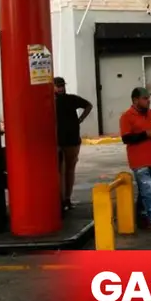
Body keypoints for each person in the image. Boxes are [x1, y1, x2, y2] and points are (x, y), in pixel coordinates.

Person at [119, 87, 151, 232]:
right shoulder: (127, 116)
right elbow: (126, 138)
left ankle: (141, 217)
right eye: (145, 98)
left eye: (148, 98)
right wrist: (146, 134)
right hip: (139, 161)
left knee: (148, 190)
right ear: (135, 100)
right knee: (147, 190)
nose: (148, 101)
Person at [54, 77, 92, 212]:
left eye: (61, 86)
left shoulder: (71, 99)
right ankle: (61, 198)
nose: (60, 88)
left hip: (72, 140)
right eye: (58, 86)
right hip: (58, 141)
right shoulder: (51, 101)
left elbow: (89, 105)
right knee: (60, 172)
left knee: (69, 170)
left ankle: (67, 198)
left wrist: (80, 120)